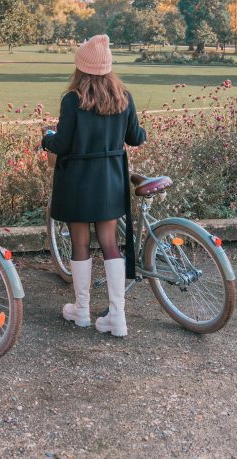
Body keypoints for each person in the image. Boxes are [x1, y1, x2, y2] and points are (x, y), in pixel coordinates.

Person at [42, 34, 146, 337]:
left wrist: (45, 138)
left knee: (80, 243)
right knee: (111, 243)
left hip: (77, 180)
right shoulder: (123, 96)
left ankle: (83, 310)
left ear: (81, 68)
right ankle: (118, 317)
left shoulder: (72, 100)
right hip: (110, 179)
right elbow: (135, 138)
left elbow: (61, 143)